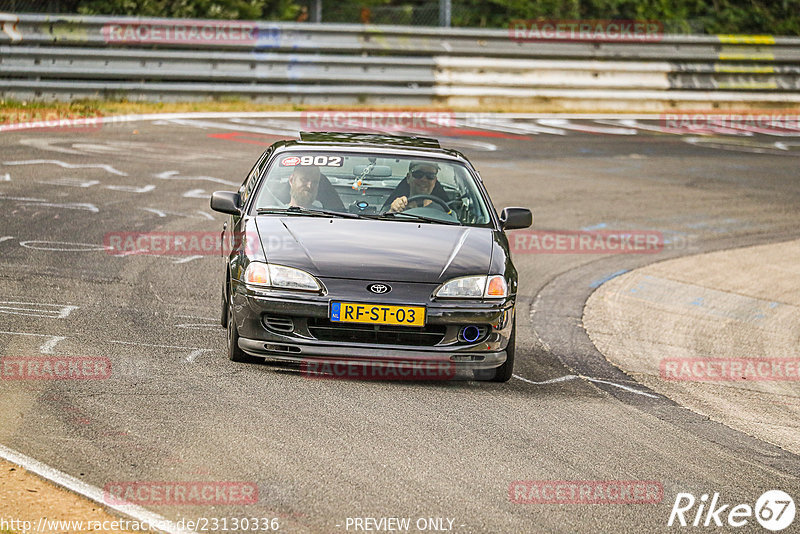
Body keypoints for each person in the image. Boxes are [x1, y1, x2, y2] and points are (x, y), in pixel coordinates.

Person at [383, 161, 449, 213]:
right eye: (418, 174)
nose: (424, 179)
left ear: (435, 181)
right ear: (408, 178)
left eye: (430, 175)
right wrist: (392, 212)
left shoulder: (443, 211)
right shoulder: (398, 207)